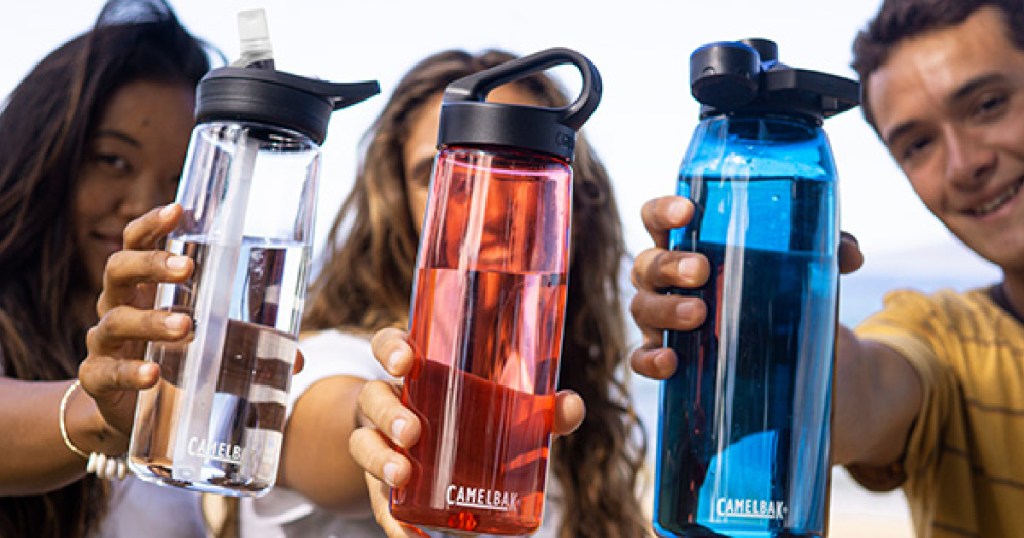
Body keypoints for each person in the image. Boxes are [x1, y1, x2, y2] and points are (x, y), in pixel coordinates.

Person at [96, 49, 650, 537]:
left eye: (515, 168)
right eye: (441, 171)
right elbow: (326, 420)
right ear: (398, 202)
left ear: (565, 199)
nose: (485, 196)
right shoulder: (345, 356)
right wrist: (380, 431)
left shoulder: (566, 423)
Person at [629, 0, 1024, 536]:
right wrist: (753, 341)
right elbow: (858, 395)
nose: (964, 164)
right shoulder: (948, 341)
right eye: (918, 144)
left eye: (988, 105)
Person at [0, 1, 213, 536]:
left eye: (178, 182)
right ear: (46, 151)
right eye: (113, 161)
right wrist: (101, 412)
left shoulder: (184, 360)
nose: (144, 205)